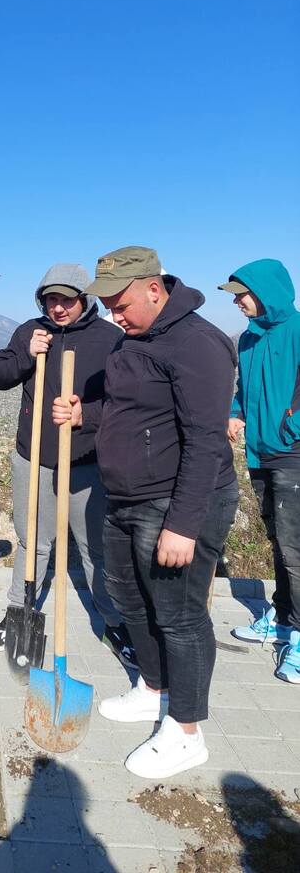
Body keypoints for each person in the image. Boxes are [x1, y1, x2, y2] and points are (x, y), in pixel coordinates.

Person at [55, 246, 238, 778]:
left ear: (154, 290)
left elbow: (205, 442)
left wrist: (182, 525)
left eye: (120, 303)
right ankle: (152, 690)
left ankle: (185, 732)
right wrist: (84, 413)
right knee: (131, 600)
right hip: (127, 498)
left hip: (177, 502)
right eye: (107, 304)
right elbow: (129, 407)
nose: (113, 314)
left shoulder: (198, 344)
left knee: (179, 616)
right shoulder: (135, 339)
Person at [0, 264, 136, 668]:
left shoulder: (110, 339)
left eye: (66, 299)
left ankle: (114, 620)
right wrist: (24, 356)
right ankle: (19, 610)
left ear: (83, 298)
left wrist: (84, 414)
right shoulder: (29, 332)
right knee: (32, 541)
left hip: (88, 460)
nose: (58, 308)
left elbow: (125, 402)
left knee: (95, 548)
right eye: (51, 299)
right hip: (33, 457)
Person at [219, 260, 300, 683]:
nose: (235, 302)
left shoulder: (299, 331)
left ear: (265, 292)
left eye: (241, 294)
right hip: (261, 454)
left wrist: (291, 428)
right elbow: (242, 389)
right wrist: (236, 413)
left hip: (294, 453)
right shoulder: (248, 339)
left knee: (296, 549)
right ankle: (284, 618)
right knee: (280, 543)